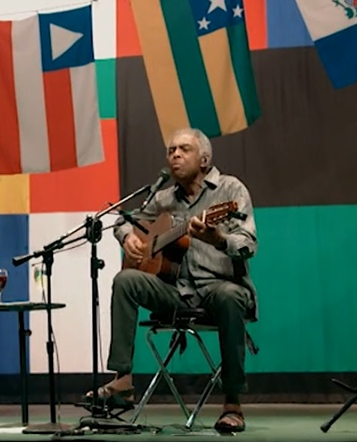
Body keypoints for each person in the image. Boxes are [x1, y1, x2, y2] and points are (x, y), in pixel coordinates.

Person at [86, 127, 258, 433]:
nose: (175, 155)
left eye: (183, 149)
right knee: (126, 280)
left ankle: (233, 402)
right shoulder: (164, 197)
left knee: (231, 296)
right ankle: (123, 382)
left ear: (204, 159)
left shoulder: (231, 191)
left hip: (219, 288)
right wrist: (128, 238)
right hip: (176, 291)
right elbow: (126, 221)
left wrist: (218, 239)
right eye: (170, 150)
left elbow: (248, 244)